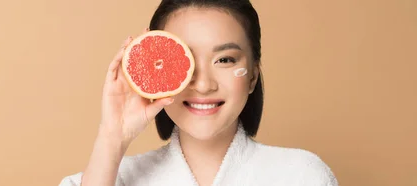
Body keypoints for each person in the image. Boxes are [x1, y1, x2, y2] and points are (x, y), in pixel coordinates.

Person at [59, 0, 338, 185]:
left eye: (225, 60)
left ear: (252, 75)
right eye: (184, 62)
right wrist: (112, 136)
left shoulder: (301, 175)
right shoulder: (110, 177)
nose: (203, 85)